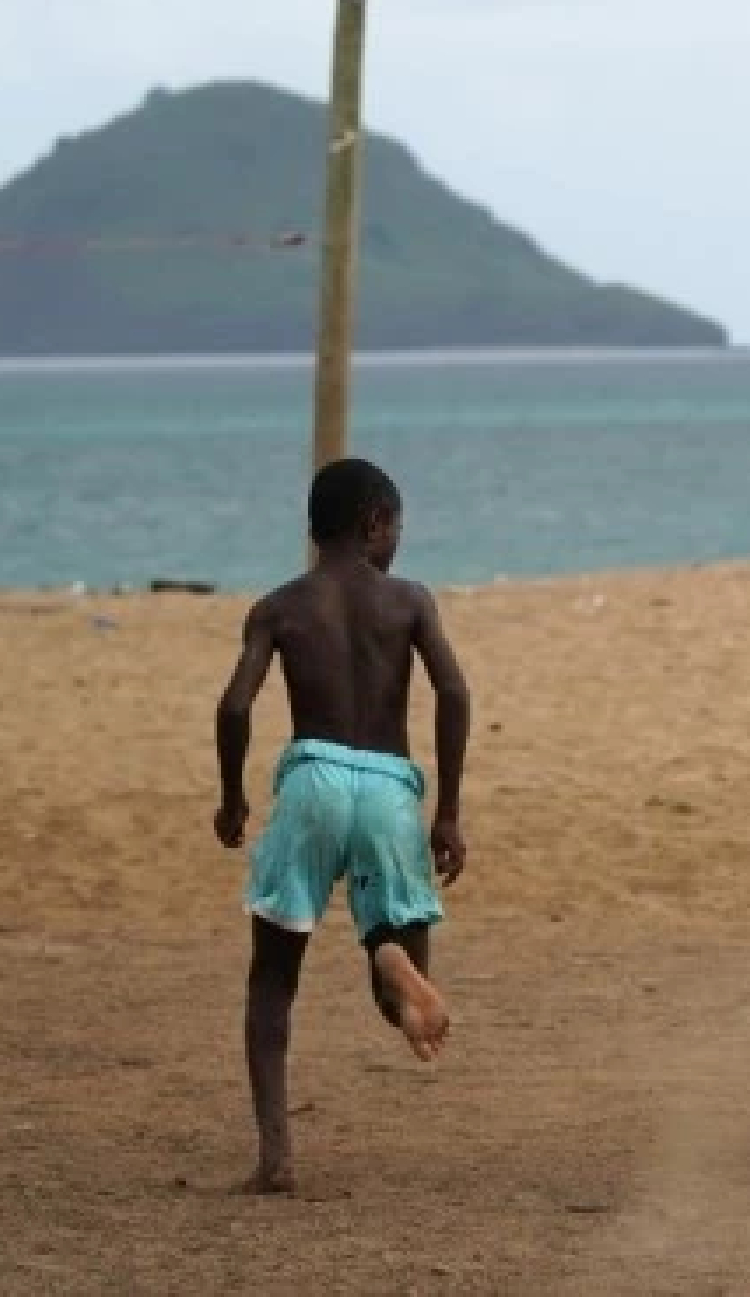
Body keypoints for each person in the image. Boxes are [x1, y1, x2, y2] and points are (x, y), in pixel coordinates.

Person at [213, 457, 471, 1194]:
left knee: (273, 978)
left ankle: (276, 1157)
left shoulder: (279, 606)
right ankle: (388, 955)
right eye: (396, 527)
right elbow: (453, 691)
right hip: (389, 785)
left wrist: (232, 798)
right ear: (373, 523)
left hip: (313, 779)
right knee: (394, 994)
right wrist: (447, 807)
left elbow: (235, 706)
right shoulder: (410, 601)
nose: (398, 542)